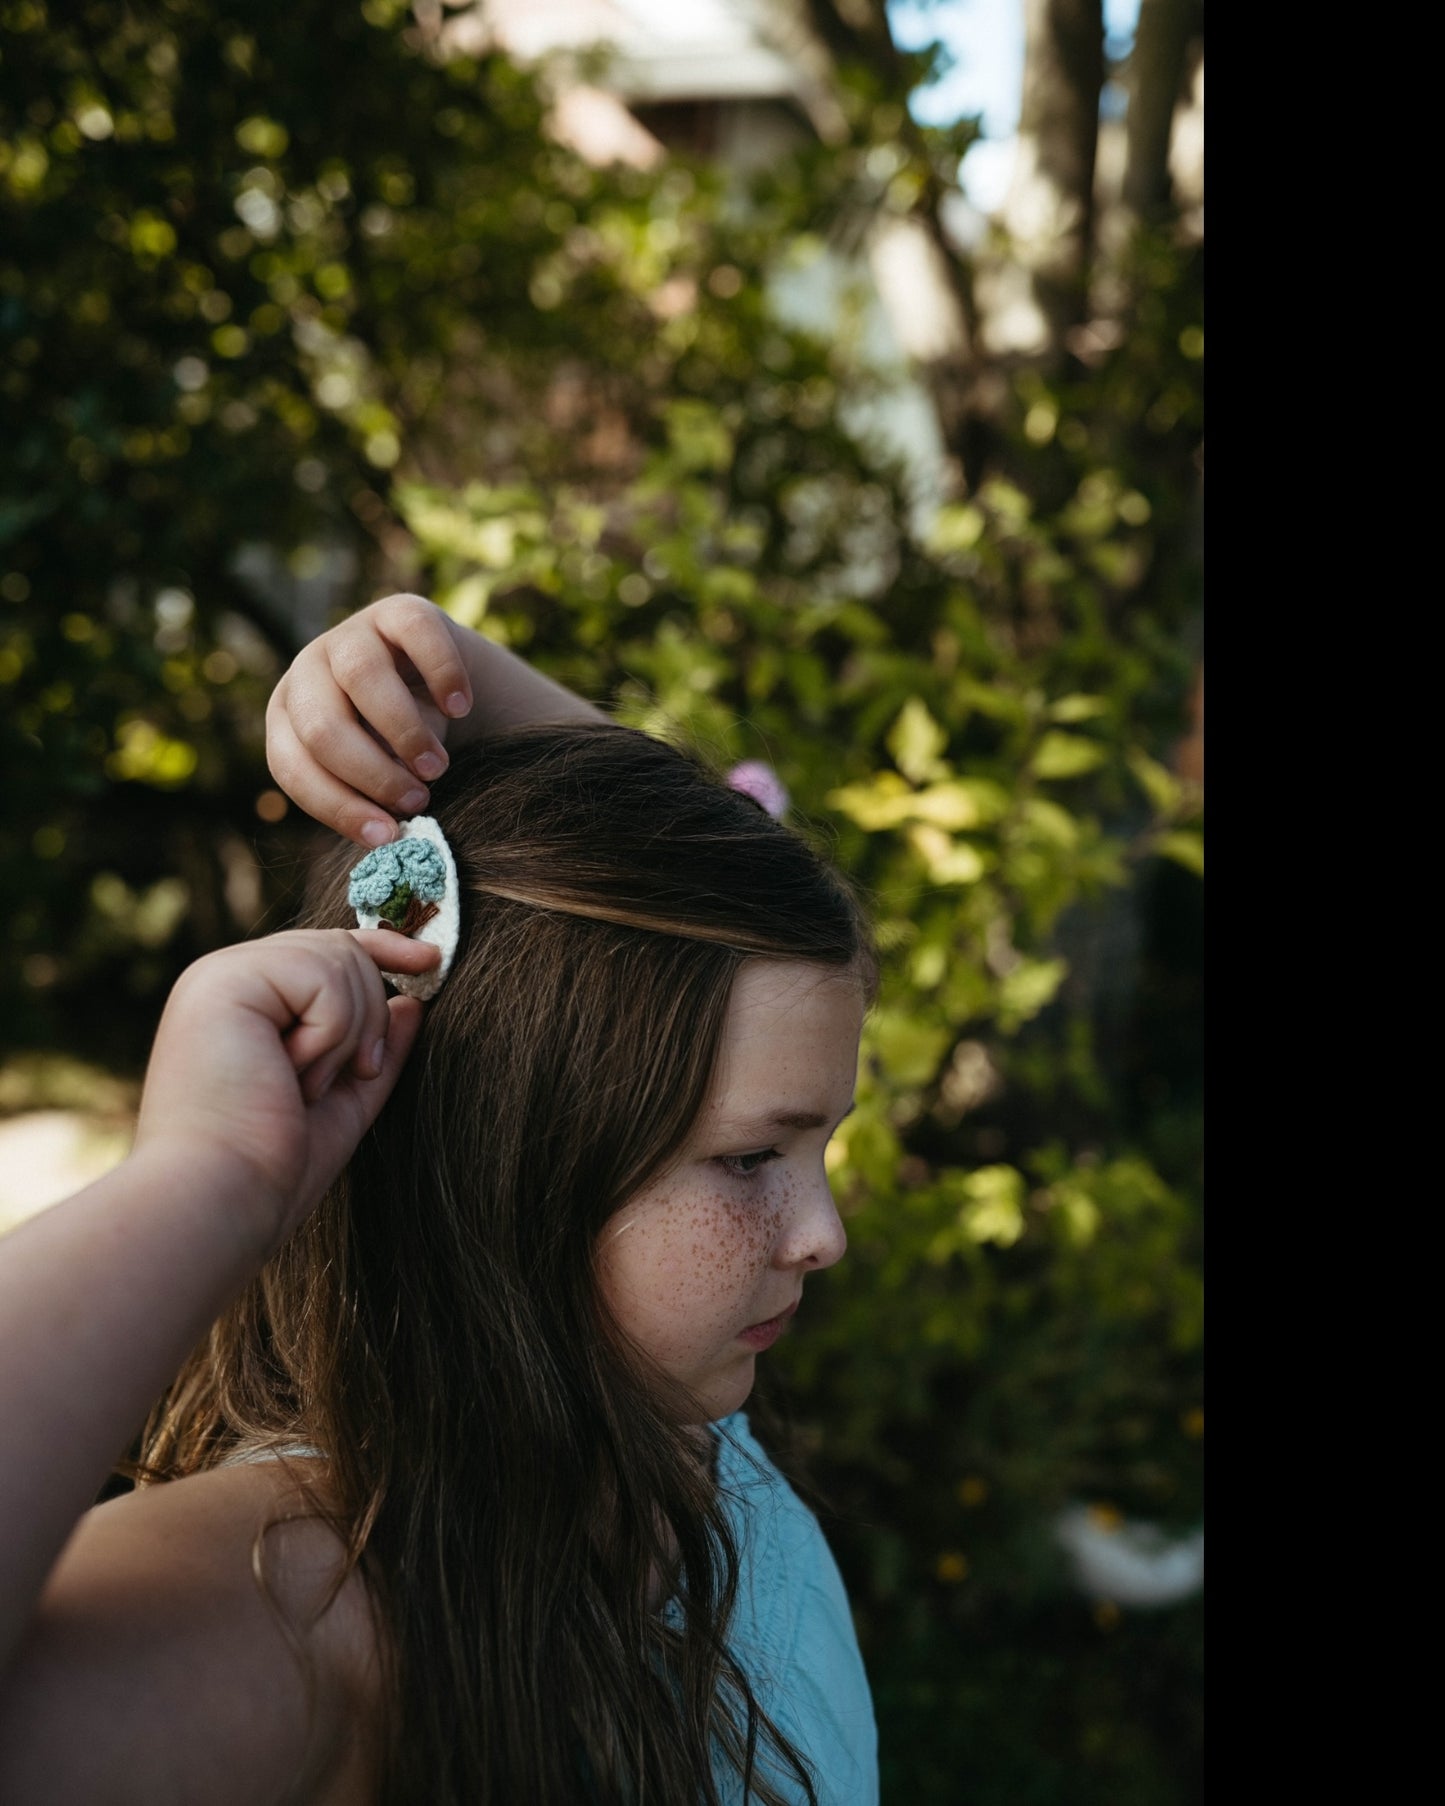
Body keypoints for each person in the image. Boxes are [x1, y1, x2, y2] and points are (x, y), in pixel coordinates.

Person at [0, 595, 879, 1805]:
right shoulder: (321, 1595)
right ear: (510, 1155)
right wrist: (200, 1183)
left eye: (823, 1141)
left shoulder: (667, 1437)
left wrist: (447, 676)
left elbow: (705, 887)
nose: (822, 1233)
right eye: (747, 1161)